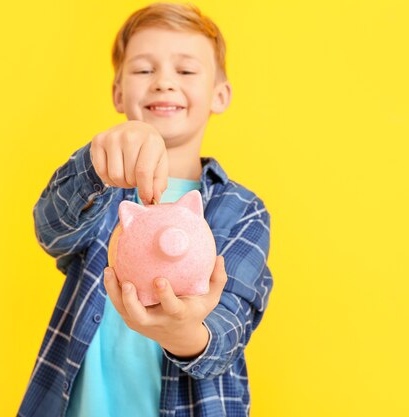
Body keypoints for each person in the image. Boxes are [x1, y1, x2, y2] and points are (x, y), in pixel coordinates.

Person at [17, 3, 273, 416]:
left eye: (186, 71)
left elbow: (228, 333)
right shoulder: (101, 192)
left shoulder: (242, 211)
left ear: (219, 95)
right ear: (118, 93)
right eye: (143, 70)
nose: (163, 83)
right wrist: (93, 166)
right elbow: (51, 230)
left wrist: (184, 331)